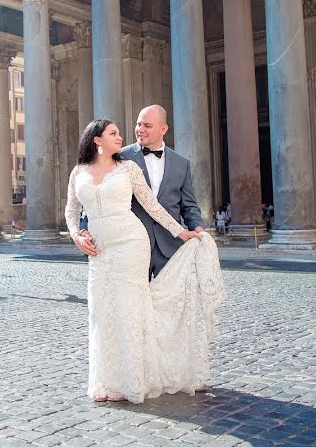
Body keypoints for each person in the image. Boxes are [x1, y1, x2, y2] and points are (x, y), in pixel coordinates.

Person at [65, 118, 225, 404]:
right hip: (99, 251)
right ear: (96, 140)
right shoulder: (78, 171)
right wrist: (76, 236)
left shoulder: (128, 168)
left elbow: (153, 205)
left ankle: (132, 380)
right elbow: (71, 210)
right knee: (101, 313)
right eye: (113, 133)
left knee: (130, 309)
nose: (121, 136)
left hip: (130, 244)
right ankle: (106, 382)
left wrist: (182, 231)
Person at [76, 105, 205, 280]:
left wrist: (197, 227)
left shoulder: (182, 163)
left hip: (170, 246)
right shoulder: (118, 157)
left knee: (169, 305)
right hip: (129, 246)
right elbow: (94, 195)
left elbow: (189, 205)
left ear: (163, 129)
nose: (140, 130)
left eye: (147, 126)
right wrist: (83, 230)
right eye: (138, 124)